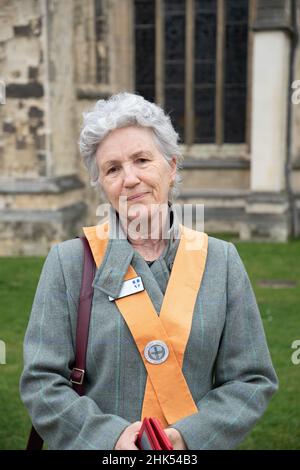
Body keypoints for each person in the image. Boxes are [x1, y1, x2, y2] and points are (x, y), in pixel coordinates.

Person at [20, 92, 278, 450]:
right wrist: (108, 438)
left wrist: (190, 437)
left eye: (142, 160)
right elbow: (41, 382)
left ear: (171, 167)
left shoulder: (222, 260)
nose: (129, 179)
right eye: (112, 169)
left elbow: (251, 379)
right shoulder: (67, 263)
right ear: (101, 185)